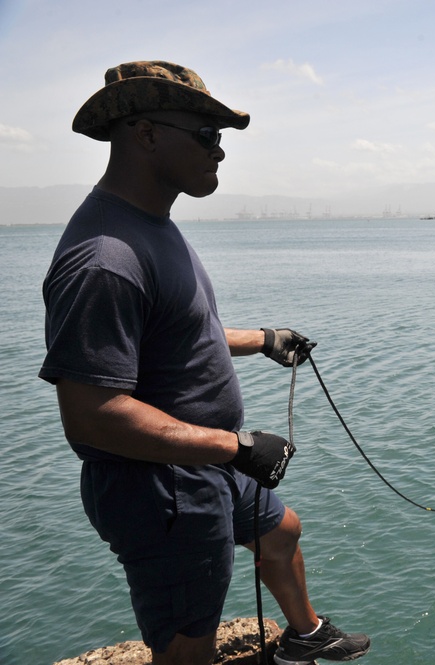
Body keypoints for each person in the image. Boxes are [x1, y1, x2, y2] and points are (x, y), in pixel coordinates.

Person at [39, 61, 370, 665]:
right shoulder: (104, 259)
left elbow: (182, 330)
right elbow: (92, 415)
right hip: (163, 487)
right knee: (190, 642)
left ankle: (303, 633)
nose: (220, 153)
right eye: (206, 136)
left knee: (281, 531)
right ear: (145, 134)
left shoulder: (152, 227)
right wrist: (236, 448)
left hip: (204, 466)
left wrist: (264, 338)